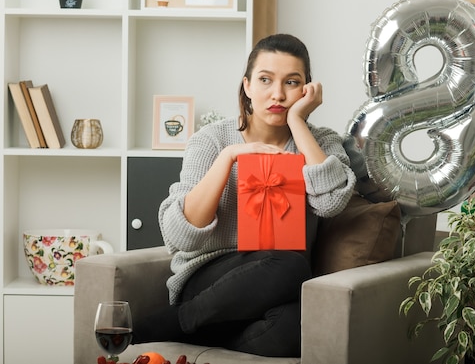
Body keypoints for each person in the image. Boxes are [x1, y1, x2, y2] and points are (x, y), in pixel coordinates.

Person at [132, 33, 356, 357]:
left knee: (298, 322)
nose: (277, 94)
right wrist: (228, 158)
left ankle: (203, 335)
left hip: (273, 291)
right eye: (265, 80)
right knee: (291, 265)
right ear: (247, 85)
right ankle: (177, 321)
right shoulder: (211, 140)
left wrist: (297, 122)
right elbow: (180, 235)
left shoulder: (320, 142)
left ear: (307, 89)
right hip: (208, 281)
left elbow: (330, 202)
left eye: (291, 82)